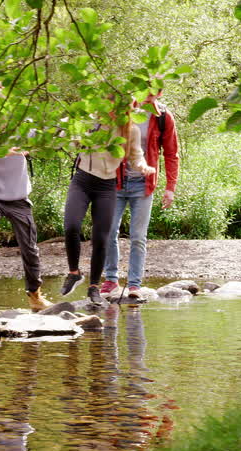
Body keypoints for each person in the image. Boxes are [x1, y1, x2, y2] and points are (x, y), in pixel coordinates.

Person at [60, 101, 154, 306]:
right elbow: (67, 135)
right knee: (71, 226)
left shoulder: (131, 131)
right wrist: (65, 130)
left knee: (102, 237)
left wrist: (144, 167)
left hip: (107, 186)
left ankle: (94, 287)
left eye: (122, 108)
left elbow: (136, 157)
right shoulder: (90, 122)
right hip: (82, 180)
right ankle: (74, 273)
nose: (115, 112)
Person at [0, 81, 50, 313]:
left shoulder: (23, 122)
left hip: (18, 196)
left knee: (29, 245)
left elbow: (38, 141)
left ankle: (35, 295)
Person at [101, 90, 181, 300]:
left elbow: (172, 153)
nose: (152, 94)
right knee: (109, 232)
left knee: (138, 237)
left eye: (157, 91)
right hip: (115, 181)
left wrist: (170, 187)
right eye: (148, 89)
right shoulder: (121, 110)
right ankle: (111, 280)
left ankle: (134, 285)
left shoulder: (163, 116)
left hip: (143, 184)